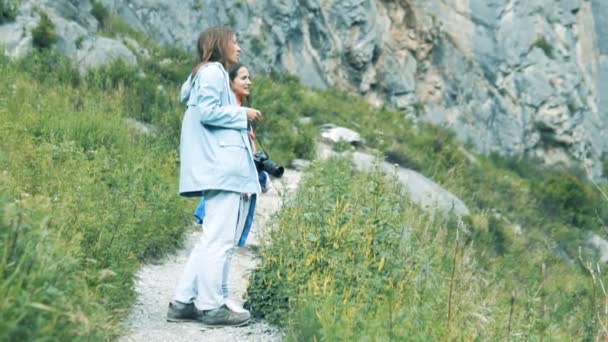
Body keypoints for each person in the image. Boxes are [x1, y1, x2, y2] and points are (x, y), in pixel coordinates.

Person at [167, 26, 262, 327]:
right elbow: (208, 113)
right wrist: (240, 114)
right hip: (222, 170)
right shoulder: (212, 73)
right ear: (220, 44)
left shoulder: (205, 73)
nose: (238, 48)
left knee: (209, 240)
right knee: (218, 241)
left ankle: (182, 302)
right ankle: (210, 306)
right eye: (234, 42)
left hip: (217, 169)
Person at [193, 63, 271, 241]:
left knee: (226, 240)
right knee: (219, 240)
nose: (249, 82)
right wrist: (243, 181)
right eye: (244, 78)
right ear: (229, 82)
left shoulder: (241, 111)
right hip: (231, 182)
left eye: (249, 78)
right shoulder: (230, 112)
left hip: (238, 181)